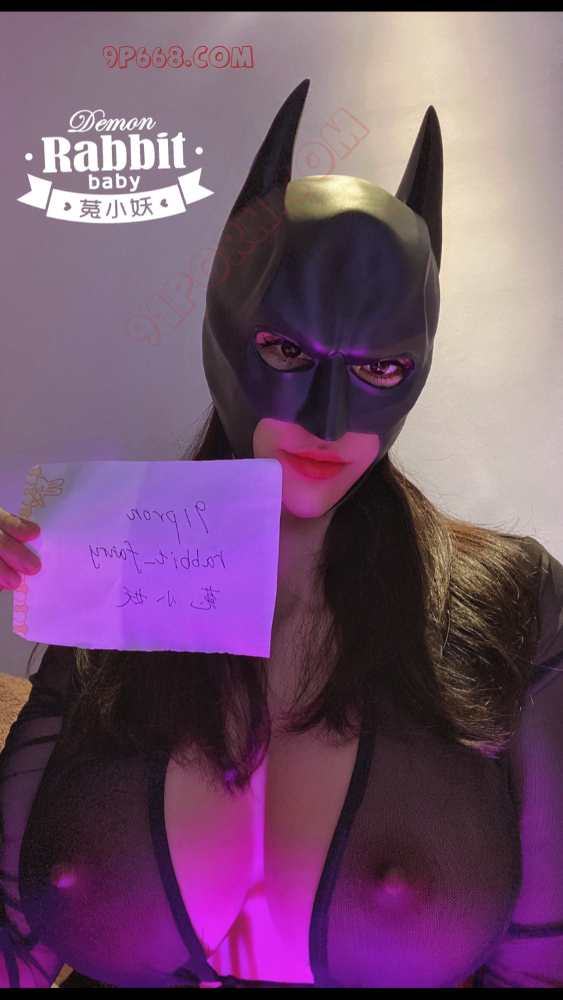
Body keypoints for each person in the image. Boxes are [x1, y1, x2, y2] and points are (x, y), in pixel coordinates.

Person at [1, 80, 563, 989]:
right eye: (287, 351)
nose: (326, 419)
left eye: (380, 368)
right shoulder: (112, 570)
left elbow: (542, 963)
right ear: (224, 330)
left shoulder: (513, 601)